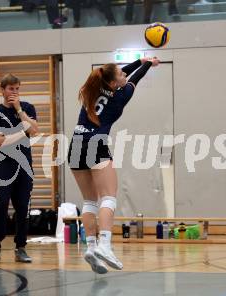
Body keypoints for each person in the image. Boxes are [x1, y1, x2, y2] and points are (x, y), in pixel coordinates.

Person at [67, 56, 159, 273]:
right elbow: (135, 77)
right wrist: (147, 64)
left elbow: (122, 74)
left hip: (76, 144)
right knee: (108, 196)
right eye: (119, 74)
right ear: (113, 83)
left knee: (89, 201)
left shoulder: (93, 87)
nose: (123, 74)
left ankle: (91, 247)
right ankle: (105, 246)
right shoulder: (122, 95)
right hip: (96, 144)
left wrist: (139, 60)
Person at [0, 74, 39, 263]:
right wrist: (23, 130)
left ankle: (21, 247)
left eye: (17, 89)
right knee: (0, 206)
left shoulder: (28, 108)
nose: (14, 93)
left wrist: (19, 110)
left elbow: (35, 130)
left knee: (23, 208)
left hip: (24, 165)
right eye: (10, 89)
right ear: (3, 90)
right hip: (3, 166)